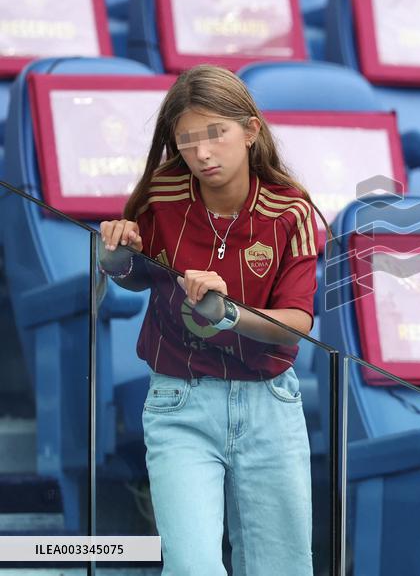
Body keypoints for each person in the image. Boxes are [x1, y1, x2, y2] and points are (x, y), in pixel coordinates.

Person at [98, 65, 321, 575]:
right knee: (193, 567)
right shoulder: (163, 193)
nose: (201, 153)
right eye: (186, 140)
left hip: (270, 405)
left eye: (216, 133)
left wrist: (228, 314)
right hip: (180, 400)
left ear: (250, 131)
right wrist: (117, 258)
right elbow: (138, 275)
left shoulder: (292, 212)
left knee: (280, 567)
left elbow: (296, 322)